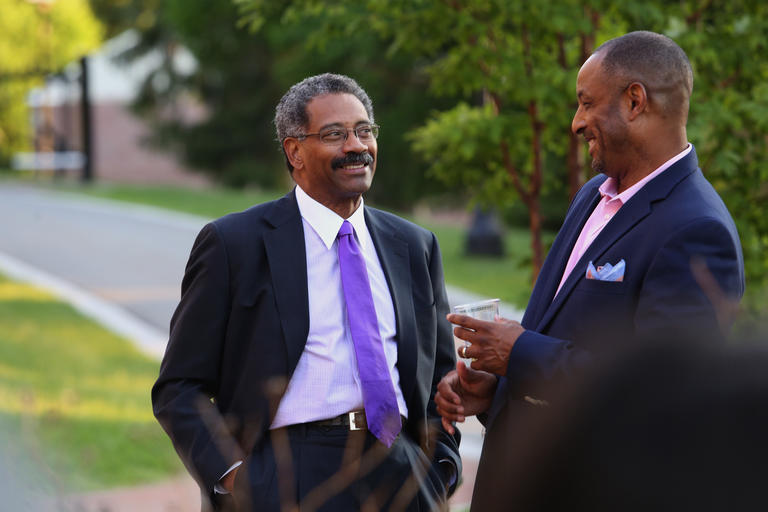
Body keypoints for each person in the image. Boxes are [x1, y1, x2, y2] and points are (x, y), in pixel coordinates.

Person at [434, 31, 745, 509]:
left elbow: (659, 395)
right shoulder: (593, 195)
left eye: (585, 103)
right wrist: (498, 388)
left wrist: (519, 353)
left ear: (635, 101)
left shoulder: (696, 228)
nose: (576, 123)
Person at [152, 73, 461, 512]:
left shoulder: (413, 246)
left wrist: (440, 467)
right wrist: (235, 478)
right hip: (285, 475)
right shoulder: (234, 244)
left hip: (401, 471)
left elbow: (438, 380)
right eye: (335, 134)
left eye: (364, 130)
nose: (356, 146)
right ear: (294, 151)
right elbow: (179, 387)